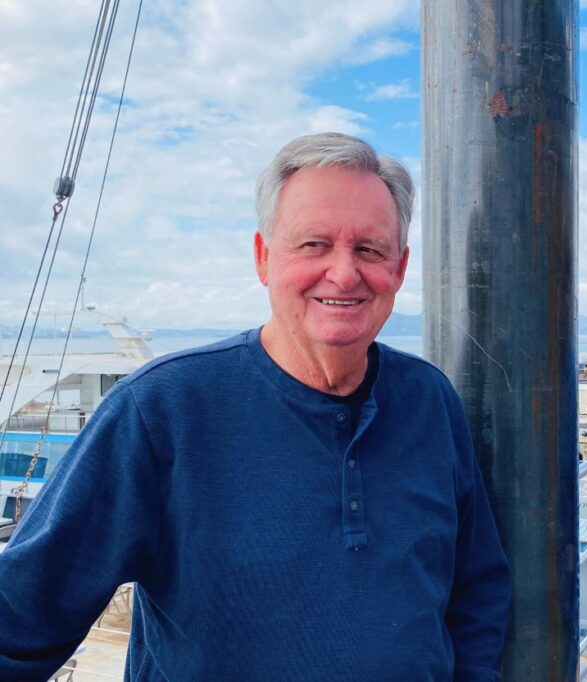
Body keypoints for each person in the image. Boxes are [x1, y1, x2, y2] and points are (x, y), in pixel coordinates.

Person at [0, 133, 511, 680]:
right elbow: (20, 620)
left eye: (369, 249)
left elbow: (475, 584)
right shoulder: (161, 411)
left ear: (400, 268)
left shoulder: (430, 401)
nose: (344, 273)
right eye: (313, 244)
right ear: (264, 258)